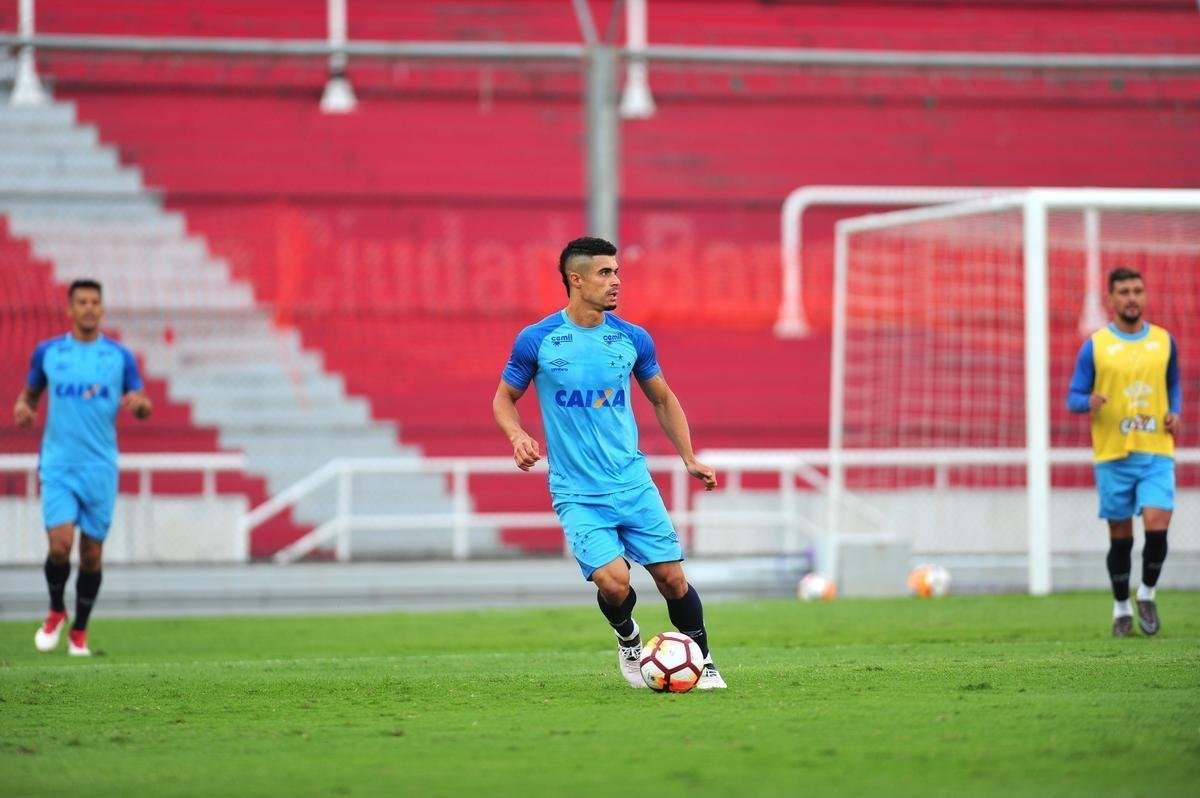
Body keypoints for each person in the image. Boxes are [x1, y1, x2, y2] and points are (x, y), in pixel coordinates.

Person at [493, 236, 726, 689]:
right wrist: (517, 435)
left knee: (672, 578)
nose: (616, 281)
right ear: (576, 280)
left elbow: (662, 398)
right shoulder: (538, 340)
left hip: (633, 483)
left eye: (617, 272)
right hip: (577, 492)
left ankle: (704, 659)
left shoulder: (632, 338)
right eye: (605, 273)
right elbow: (504, 398)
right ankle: (628, 638)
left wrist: (689, 457)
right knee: (615, 582)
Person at [13, 279, 152, 656]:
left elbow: (141, 401)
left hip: (100, 467)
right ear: (70, 309)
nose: (89, 308)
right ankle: (56, 609)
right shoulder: (49, 352)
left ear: (102, 309)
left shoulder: (119, 357)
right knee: (60, 547)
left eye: (94, 302)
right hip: (58, 464)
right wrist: (23, 408)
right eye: (82, 302)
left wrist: (140, 406)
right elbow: (29, 396)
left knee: (91, 554)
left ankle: (80, 631)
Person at [1067, 267, 1180, 638]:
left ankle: (1146, 593)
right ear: (1111, 299)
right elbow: (1073, 396)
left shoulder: (1163, 342)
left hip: (1155, 451)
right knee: (1120, 535)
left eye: (1137, 291)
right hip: (1113, 454)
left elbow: (1173, 382)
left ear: (1144, 295)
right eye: (1124, 292)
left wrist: (1174, 411)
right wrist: (1088, 401)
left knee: (1158, 524)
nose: (1132, 298)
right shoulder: (1096, 346)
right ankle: (1120, 609)